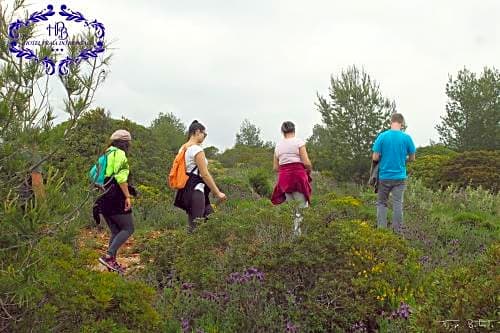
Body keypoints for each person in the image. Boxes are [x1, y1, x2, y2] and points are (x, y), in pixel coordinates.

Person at [174, 120, 227, 232]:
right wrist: (217, 193)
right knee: (195, 228)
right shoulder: (197, 150)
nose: (204, 137)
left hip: (186, 189)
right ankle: (188, 248)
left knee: (211, 220)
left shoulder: (183, 148)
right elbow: (205, 174)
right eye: (204, 134)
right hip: (196, 190)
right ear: (197, 131)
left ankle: (207, 247)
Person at [96, 129, 135, 273]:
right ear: (125, 143)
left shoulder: (105, 154)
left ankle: (111, 264)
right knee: (128, 228)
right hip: (115, 195)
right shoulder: (120, 154)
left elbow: (93, 174)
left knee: (116, 230)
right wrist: (127, 196)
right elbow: (121, 178)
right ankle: (109, 256)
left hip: (102, 195)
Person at [372, 113, 416, 233]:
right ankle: (397, 232)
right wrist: (402, 158)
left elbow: (375, 157)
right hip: (400, 177)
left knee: (381, 203)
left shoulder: (382, 136)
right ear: (402, 124)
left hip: (384, 176)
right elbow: (412, 158)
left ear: (391, 122)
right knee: (397, 203)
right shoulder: (407, 138)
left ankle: (381, 231)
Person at [271, 121, 312, 235]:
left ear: (282, 132)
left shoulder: (278, 146)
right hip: (298, 178)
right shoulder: (299, 142)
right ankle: (299, 237)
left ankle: (294, 236)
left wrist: (286, 170)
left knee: (292, 210)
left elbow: (275, 167)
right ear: (294, 130)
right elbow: (306, 162)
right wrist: (309, 169)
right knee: (302, 208)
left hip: (284, 180)